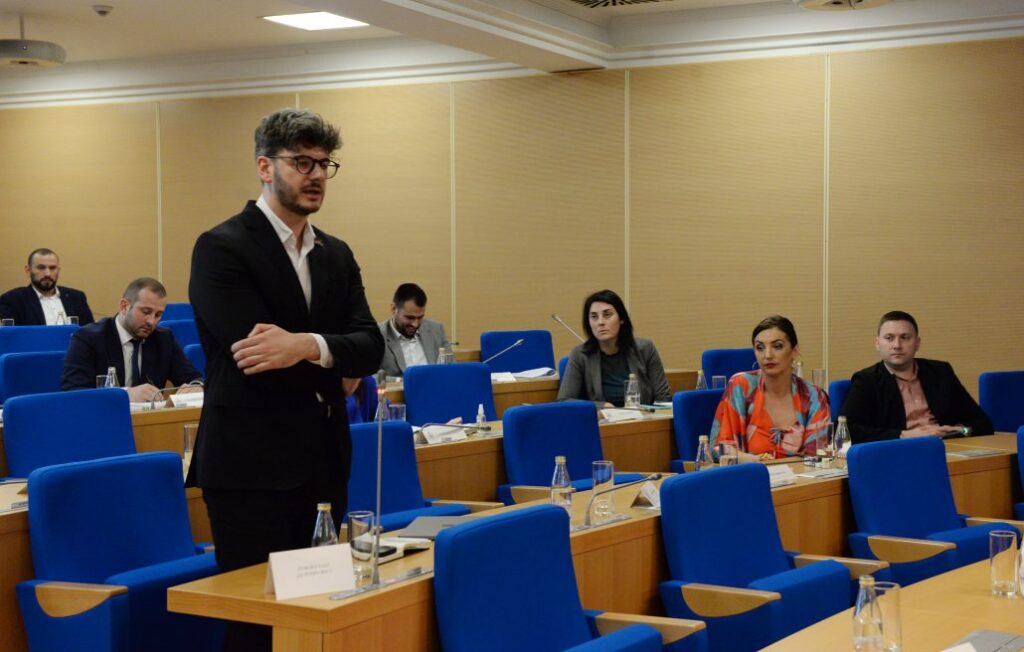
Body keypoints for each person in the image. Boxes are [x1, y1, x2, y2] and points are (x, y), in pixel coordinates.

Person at [186, 108, 383, 652]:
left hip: (324, 461)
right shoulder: (222, 247)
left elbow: (371, 345)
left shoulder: (335, 253)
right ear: (264, 167)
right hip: (251, 467)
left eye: (324, 164)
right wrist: (335, 363)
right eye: (302, 163)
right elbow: (253, 356)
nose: (316, 175)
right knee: (257, 624)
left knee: (317, 616)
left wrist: (305, 346)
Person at [840, 310, 993, 444]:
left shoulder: (940, 372)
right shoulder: (867, 380)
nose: (897, 345)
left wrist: (959, 431)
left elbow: (983, 423)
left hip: (946, 447)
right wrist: (905, 435)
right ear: (877, 343)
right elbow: (846, 431)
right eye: (889, 338)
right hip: (899, 451)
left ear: (917, 343)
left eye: (905, 337)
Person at [60, 277, 202, 402]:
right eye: (146, 312)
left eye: (158, 315)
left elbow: (193, 378)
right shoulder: (88, 338)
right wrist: (126, 394)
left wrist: (196, 387)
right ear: (124, 306)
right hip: (103, 417)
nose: (152, 321)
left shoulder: (164, 339)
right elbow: (73, 391)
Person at [710, 315, 830, 458]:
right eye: (760, 348)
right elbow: (719, 449)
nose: (767, 355)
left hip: (800, 473)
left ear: (794, 350)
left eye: (777, 346)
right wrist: (752, 461)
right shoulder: (741, 386)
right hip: (749, 471)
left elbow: (818, 456)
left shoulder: (814, 396)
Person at [557, 289, 670, 407]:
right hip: (603, 418)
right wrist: (601, 406)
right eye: (594, 317)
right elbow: (564, 401)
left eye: (607, 315)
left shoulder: (645, 349)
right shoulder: (580, 355)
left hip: (642, 416)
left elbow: (663, 398)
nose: (600, 322)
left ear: (621, 318)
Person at [0, 248, 94, 325]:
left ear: (58, 271)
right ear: (28, 270)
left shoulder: (76, 298)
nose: (47, 273)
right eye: (41, 268)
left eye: (52, 268)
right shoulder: (13, 300)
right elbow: (11, 337)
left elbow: (90, 334)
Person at [378, 282, 450, 378]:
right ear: (393, 309)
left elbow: (451, 369)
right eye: (410, 317)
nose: (415, 324)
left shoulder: (436, 330)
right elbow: (370, 377)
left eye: (420, 317)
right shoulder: (377, 335)